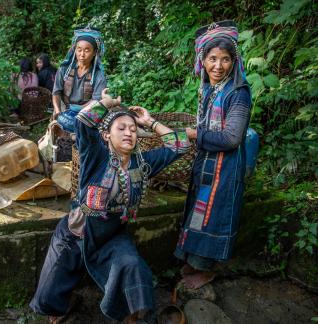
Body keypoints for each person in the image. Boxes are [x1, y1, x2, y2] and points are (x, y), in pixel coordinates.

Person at [30, 89, 191, 323]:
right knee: (49, 302)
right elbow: (83, 122)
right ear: (106, 135)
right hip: (77, 233)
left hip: (112, 236)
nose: (129, 133)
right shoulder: (95, 156)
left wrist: (150, 122)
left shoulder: (143, 163)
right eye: (122, 128)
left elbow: (180, 145)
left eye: (134, 130)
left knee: (133, 266)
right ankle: (63, 305)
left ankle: (131, 317)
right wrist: (108, 102)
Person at [174, 20, 252, 289]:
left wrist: (196, 135)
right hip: (207, 163)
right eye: (212, 59)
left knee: (214, 215)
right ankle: (194, 261)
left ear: (234, 61)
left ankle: (206, 269)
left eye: (226, 59)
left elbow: (232, 138)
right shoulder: (208, 87)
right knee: (199, 211)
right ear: (202, 59)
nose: (218, 66)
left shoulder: (238, 93)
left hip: (225, 168)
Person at [52, 26, 107, 119]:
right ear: (75, 50)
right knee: (59, 126)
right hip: (64, 109)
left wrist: (78, 110)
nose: (82, 54)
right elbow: (56, 92)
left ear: (94, 53)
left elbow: (97, 101)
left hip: (88, 110)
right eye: (79, 49)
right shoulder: (64, 69)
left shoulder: (99, 75)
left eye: (87, 50)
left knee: (101, 110)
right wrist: (58, 111)